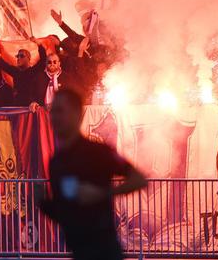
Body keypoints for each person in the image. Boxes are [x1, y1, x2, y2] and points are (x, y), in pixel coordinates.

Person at [39, 89, 147, 260]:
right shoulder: (56, 162)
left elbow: (139, 179)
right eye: (53, 111)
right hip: (79, 252)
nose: (54, 117)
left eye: (60, 111)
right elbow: (68, 210)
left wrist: (103, 193)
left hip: (105, 251)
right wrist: (45, 205)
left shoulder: (98, 152)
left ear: (77, 114)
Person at [0, 39, 47, 109]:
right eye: (17, 56)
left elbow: (43, 61)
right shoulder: (16, 72)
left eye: (22, 56)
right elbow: (0, 62)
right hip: (17, 109)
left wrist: (40, 45)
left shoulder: (34, 71)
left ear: (29, 58)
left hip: (30, 110)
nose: (18, 58)